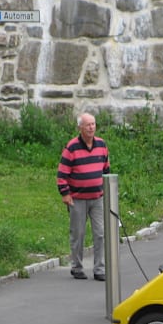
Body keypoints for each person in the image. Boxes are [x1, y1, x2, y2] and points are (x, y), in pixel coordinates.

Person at [57, 112, 110, 281]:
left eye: (93, 124)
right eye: (88, 125)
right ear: (80, 128)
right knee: (78, 233)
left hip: (97, 197)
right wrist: (65, 194)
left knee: (100, 233)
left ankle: (99, 268)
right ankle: (77, 267)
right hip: (77, 198)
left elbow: (106, 170)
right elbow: (62, 173)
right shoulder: (71, 147)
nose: (91, 128)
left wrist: (107, 191)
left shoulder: (102, 145)